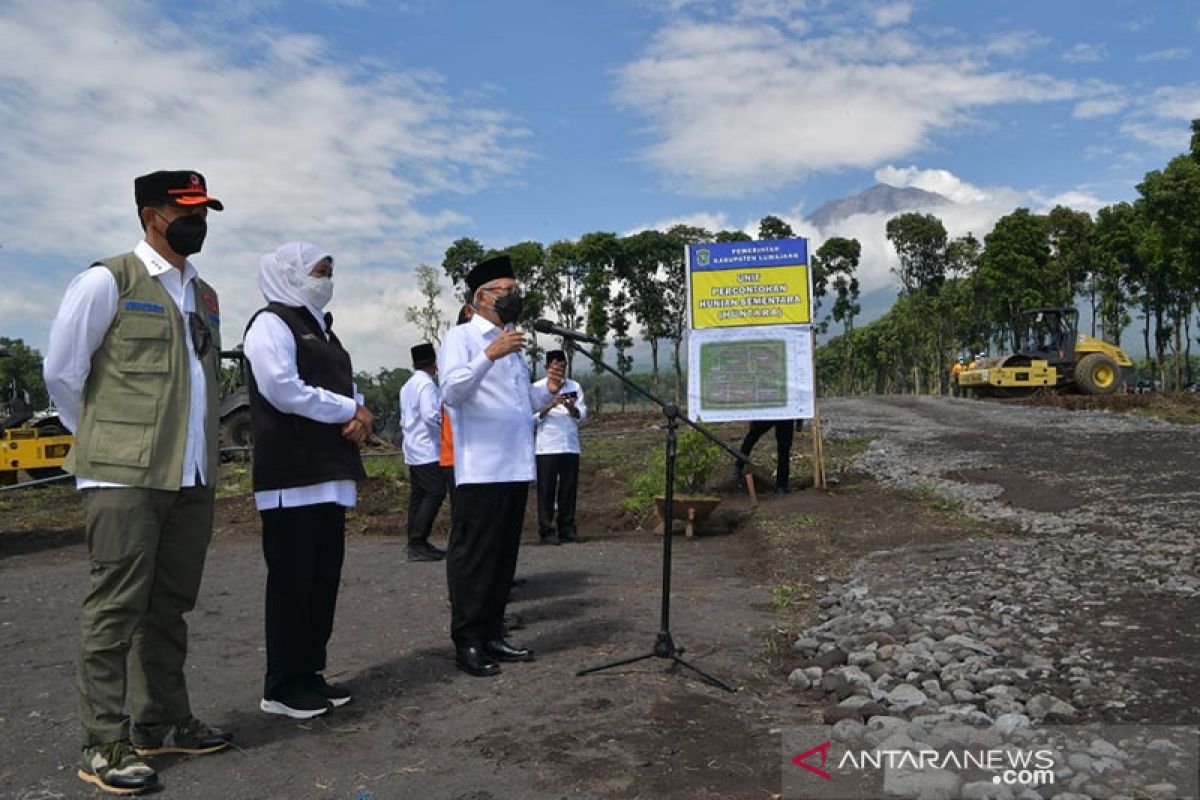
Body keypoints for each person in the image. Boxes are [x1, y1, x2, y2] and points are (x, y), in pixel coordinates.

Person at [44, 170, 232, 795]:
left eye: (204, 210)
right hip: (124, 474)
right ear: (152, 214)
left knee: (168, 606)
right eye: (187, 210)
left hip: (192, 472)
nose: (198, 221)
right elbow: (64, 372)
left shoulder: (202, 295)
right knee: (115, 609)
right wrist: (105, 443)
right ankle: (104, 741)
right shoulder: (109, 280)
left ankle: (162, 721)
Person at [243, 242, 371, 720]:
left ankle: (309, 673)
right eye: (319, 271)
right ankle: (281, 684)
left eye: (330, 271)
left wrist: (360, 414)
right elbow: (281, 388)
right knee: (292, 582)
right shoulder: (270, 323)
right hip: (291, 474)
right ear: (291, 275)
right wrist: (347, 410)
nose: (326, 279)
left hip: (329, 472)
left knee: (322, 580)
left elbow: (346, 388)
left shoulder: (325, 331)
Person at [439, 255, 554, 677]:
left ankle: (491, 633)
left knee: (504, 558)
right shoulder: (464, 337)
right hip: (481, 468)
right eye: (505, 291)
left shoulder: (512, 340)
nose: (512, 298)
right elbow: (451, 391)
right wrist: (488, 354)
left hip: (515, 466)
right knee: (476, 559)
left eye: (515, 291)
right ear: (481, 298)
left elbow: (518, 403)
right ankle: (467, 641)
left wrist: (547, 392)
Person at [400, 342, 448, 561]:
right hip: (428, 448)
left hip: (412, 447)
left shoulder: (408, 385)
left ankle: (414, 540)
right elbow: (431, 415)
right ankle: (418, 540)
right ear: (434, 364)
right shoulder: (427, 385)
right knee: (435, 492)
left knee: (419, 496)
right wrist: (445, 434)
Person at [533, 349, 587, 544]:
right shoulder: (536, 388)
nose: (558, 372)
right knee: (546, 489)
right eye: (555, 368)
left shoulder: (574, 386)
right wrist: (550, 405)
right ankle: (546, 531)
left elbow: (582, 414)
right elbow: (530, 418)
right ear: (547, 368)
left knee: (568, 489)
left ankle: (567, 528)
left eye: (562, 368)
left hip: (570, 445)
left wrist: (571, 407)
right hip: (546, 446)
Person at [736, 418, 802, 494]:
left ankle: (782, 485)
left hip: (782, 414)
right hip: (776, 413)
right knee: (753, 435)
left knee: (784, 447)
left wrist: (799, 421)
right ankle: (782, 486)